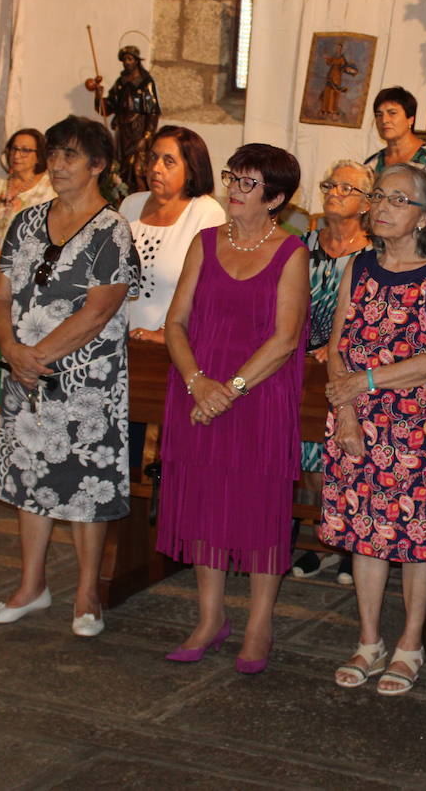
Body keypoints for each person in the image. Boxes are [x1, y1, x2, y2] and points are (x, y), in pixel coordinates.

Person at [0, 115, 140, 639]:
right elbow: (1, 295)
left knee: (84, 484)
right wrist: (10, 348)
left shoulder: (111, 230)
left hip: (84, 379)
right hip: (25, 370)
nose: (58, 163)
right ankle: (32, 586)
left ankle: (87, 591)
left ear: (98, 164)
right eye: (55, 153)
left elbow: (98, 311)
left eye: (71, 155)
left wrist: (35, 356)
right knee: (30, 475)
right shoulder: (26, 221)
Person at [156, 143, 310, 675]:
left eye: (247, 184)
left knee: (258, 507)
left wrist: (231, 388)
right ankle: (208, 618)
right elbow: (176, 322)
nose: (234, 190)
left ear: (277, 198)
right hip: (199, 391)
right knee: (204, 502)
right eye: (232, 178)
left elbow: (286, 339)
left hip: (259, 394)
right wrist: (199, 383)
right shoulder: (204, 242)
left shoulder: (292, 252)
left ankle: (258, 623)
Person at [319, 164, 426, 696]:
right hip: (356, 415)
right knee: (365, 529)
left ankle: (408, 643)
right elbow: (338, 345)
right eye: (378, 196)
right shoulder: (358, 266)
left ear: (423, 215)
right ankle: (367, 640)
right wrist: (350, 411)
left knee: (413, 537)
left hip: (418, 421)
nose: (381, 206)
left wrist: (365, 383)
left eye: (397, 200)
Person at [289, 160, 375, 584]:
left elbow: (373, 314)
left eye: (346, 187)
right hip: (298, 361)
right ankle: (309, 538)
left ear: (365, 203)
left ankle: (344, 546)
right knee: (304, 456)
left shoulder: (373, 254)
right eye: (329, 184)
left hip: (347, 364)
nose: (334, 192)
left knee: (339, 458)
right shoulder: (300, 245)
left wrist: (335, 346)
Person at [0, 128, 55, 418]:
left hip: (27, 276)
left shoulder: (47, 188)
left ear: (38, 156)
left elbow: (47, 232)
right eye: (13, 149)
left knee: (24, 336)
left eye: (25, 150)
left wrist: (11, 261)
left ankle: (26, 394)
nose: (17, 155)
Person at [118, 126, 225, 346]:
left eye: (169, 161)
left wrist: (166, 332)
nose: (156, 168)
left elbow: (208, 290)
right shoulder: (131, 204)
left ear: (192, 169)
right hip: (121, 338)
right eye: (153, 158)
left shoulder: (206, 212)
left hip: (173, 344)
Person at [92, 44, 161, 197]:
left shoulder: (146, 82)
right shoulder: (120, 82)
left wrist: (147, 136)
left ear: (136, 61)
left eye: (130, 59)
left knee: (136, 169)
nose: (127, 62)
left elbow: (153, 112)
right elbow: (107, 108)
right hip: (123, 131)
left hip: (138, 130)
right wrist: (98, 95)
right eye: (124, 59)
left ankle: (137, 198)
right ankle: (120, 198)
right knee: (120, 167)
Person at [363, 86, 426, 180]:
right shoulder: (372, 164)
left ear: (410, 119)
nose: (384, 120)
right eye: (379, 115)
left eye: (392, 113)